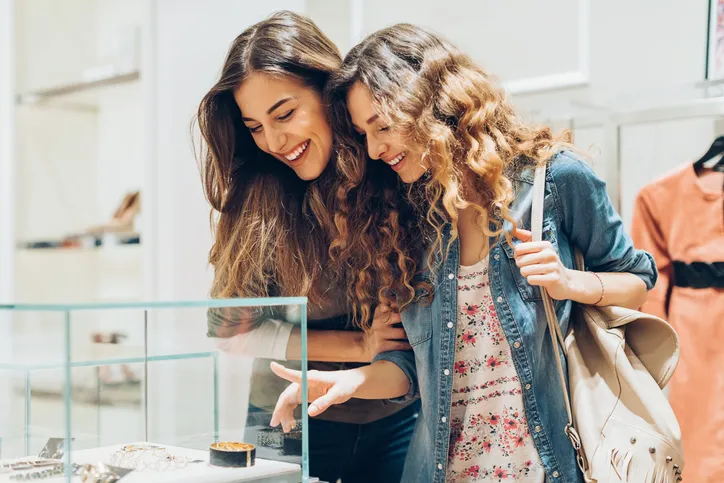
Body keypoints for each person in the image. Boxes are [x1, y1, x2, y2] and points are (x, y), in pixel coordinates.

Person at [269, 24, 658, 483]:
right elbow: (413, 370)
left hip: (544, 466)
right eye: (363, 134)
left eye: (384, 126)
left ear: (432, 101)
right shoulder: (408, 217)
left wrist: (570, 283)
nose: (374, 150)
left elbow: (637, 281)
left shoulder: (553, 178)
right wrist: (349, 381)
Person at [194, 12, 420, 483]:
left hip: (396, 415)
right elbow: (229, 332)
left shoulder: (391, 168)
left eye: (284, 114)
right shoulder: (259, 199)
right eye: (255, 127)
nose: (275, 141)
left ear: (329, 92)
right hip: (290, 419)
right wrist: (361, 344)